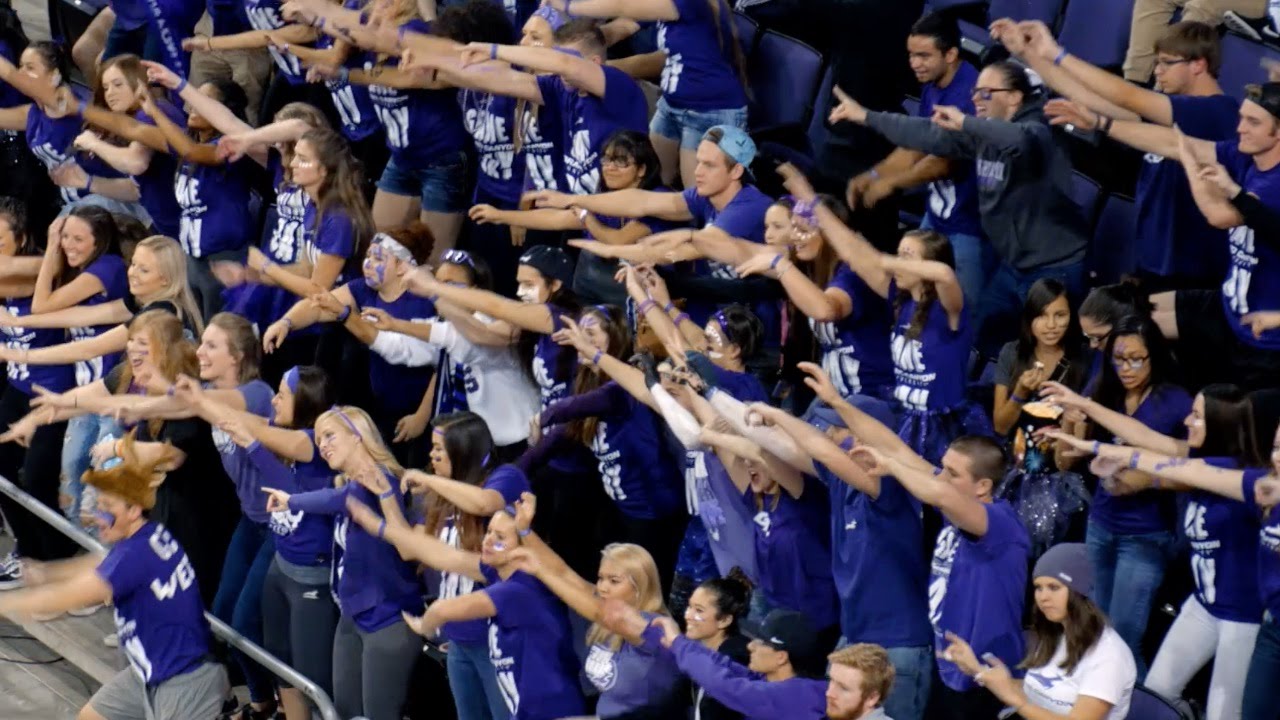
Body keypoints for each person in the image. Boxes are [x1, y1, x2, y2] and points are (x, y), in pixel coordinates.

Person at [831, 60, 1090, 355]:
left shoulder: (1040, 133)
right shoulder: (982, 135)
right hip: (1013, 266)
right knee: (975, 333)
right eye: (975, 92)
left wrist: (966, 123)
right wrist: (866, 116)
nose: (976, 99)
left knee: (1049, 350)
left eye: (986, 93)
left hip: (1055, 267)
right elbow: (926, 133)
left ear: (1014, 97)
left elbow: (1018, 139)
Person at [1040, 384, 1264, 720]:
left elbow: (1159, 461)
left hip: (1242, 617)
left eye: (1197, 416)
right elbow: (1142, 436)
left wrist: (1099, 448)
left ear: (1221, 424)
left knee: (1223, 715)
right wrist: (1082, 404)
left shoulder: (1244, 479)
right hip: (1203, 605)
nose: (1187, 421)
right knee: (1157, 693)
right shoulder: (1198, 457)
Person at [0, 431, 231, 720]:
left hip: (184, 681)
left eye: (107, 508)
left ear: (133, 510)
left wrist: (7, 604)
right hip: (150, 670)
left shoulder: (134, 556)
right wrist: (48, 572)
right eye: (99, 506)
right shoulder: (149, 535)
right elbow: (99, 564)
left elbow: (67, 597)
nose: (99, 517)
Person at [1074, 82, 1280, 391]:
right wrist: (1101, 123)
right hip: (1228, 306)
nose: (1240, 128)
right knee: (1128, 320)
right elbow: (1171, 142)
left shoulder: (1274, 184)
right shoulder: (1246, 157)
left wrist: (1189, 159)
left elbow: (1219, 215)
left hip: (1264, 339)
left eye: (1253, 122)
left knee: (1231, 415)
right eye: (1241, 118)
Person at [779, 166, 990, 464]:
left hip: (941, 429)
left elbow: (943, 273)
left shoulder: (949, 311)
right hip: (903, 417)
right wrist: (811, 201)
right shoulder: (898, 299)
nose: (898, 262)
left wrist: (885, 260)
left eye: (908, 256)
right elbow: (852, 251)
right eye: (899, 253)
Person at [1019, 19, 1238, 292]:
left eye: (1167, 63)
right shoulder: (1170, 111)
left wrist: (1055, 53)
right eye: (1156, 62)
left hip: (1193, 266)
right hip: (1154, 257)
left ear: (1198, 65)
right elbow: (1085, 96)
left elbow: (1126, 96)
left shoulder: (1218, 111)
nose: (1157, 71)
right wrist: (1028, 53)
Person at [346, 489, 587, 720]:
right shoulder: (499, 573)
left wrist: (424, 626)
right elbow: (440, 553)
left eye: (500, 538)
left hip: (554, 712)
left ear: (524, 548)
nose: (488, 540)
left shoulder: (520, 588)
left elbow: (442, 610)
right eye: (489, 532)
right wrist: (379, 527)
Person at [1048, 315, 1192, 675]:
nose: (1126, 369)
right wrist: (1069, 420)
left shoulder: (1175, 402)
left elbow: (1196, 475)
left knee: (1125, 637)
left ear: (1155, 356)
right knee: (1095, 631)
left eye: (1136, 359)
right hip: (1100, 525)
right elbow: (1065, 462)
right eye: (1118, 359)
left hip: (1146, 535)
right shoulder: (1103, 389)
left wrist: (1146, 480)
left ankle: (1142, 701)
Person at [262, 406, 423, 720]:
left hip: (387, 618)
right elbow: (334, 498)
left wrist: (291, 500)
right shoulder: (349, 485)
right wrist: (291, 500)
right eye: (319, 440)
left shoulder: (382, 480)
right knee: (344, 712)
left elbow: (338, 501)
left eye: (330, 436)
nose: (323, 445)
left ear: (357, 435)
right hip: (352, 615)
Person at [217, 365, 337, 720]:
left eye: (282, 395)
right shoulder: (289, 432)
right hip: (282, 564)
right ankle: (277, 708)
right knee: (278, 658)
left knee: (310, 673)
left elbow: (287, 487)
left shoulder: (313, 442)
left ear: (304, 402)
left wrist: (252, 443)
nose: (273, 400)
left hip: (310, 574)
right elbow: (259, 435)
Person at [845, 13, 986, 308]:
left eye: (924, 56)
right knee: (915, 298)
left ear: (950, 54)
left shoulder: (970, 94)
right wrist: (875, 175)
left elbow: (945, 161)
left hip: (970, 227)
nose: (914, 63)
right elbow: (916, 146)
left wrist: (892, 183)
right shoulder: (933, 84)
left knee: (962, 312)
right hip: (936, 215)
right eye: (911, 55)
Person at [264, 224, 435, 465]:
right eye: (367, 256)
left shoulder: (423, 302)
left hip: (417, 409)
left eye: (378, 258)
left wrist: (422, 416)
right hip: (381, 402)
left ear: (401, 266)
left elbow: (441, 364)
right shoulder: (364, 289)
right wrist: (286, 322)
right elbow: (319, 306)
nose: (368, 264)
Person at [506, 496, 687, 718]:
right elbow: (563, 572)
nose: (603, 587)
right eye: (601, 578)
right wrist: (525, 532)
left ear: (639, 586)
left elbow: (597, 611)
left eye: (614, 581)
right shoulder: (603, 605)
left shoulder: (654, 627)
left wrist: (539, 571)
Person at [541, 0, 749, 187]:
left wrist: (567, 5)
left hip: (710, 111)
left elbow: (623, 5)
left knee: (699, 196)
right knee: (648, 179)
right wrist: (581, 44)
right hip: (671, 105)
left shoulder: (689, 3)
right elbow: (624, 26)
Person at [408, 412, 528, 720]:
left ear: (463, 450)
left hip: (498, 639)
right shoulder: (440, 493)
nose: (431, 456)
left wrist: (429, 480)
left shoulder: (506, 476)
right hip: (459, 638)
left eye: (439, 449)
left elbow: (485, 503)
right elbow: (413, 549)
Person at [470, 129, 678, 305]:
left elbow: (617, 240)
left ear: (642, 169)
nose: (609, 167)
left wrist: (586, 216)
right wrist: (500, 216)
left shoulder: (659, 199)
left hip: (644, 295)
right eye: (606, 159)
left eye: (620, 161)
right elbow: (556, 219)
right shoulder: (605, 199)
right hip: (595, 288)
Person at [943, 543, 1136, 719]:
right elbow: (1038, 693)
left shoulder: (1109, 656)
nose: (1043, 597)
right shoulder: (1056, 634)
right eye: (1038, 588)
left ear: (1080, 592)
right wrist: (978, 669)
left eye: (1054, 587)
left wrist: (1017, 701)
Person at [733, 194, 894, 403]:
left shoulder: (854, 275)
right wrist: (696, 240)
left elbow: (825, 310)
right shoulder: (811, 270)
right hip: (836, 397)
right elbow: (737, 249)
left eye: (804, 229)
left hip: (874, 398)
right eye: (794, 228)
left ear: (829, 234)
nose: (795, 237)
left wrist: (781, 266)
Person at [602, 601, 831, 720]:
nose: (750, 645)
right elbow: (722, 665)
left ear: (781, 657)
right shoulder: (770, 681)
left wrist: (679, 643)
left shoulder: (797, 696)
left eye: (761, 642)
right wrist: (654, 633)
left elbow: (724, 684)